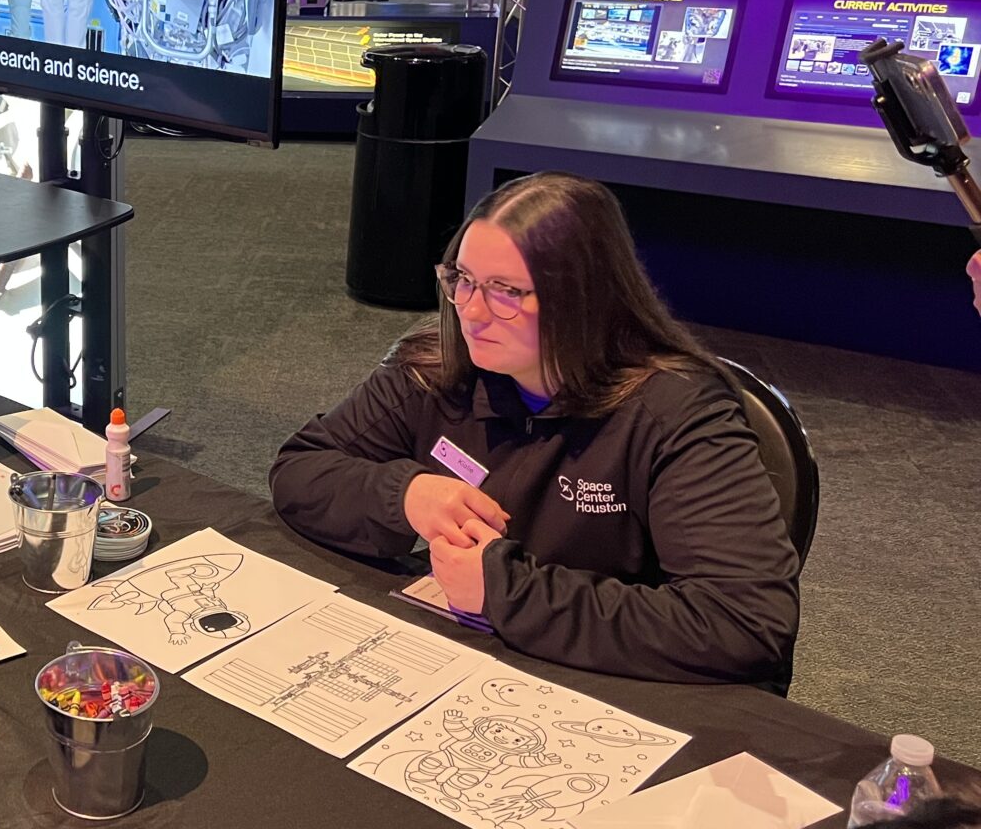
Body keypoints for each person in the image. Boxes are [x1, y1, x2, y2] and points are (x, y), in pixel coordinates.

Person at [270, 172, 800, 685]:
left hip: (610, 685)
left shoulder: (677, 414)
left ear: (585, 298)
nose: (471, 312)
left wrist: (505, 590)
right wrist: (404, 495)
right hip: (456, 661)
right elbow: (299, 470)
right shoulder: (435, 366)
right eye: (462, 280)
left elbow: (745, 623)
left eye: (505, 291)